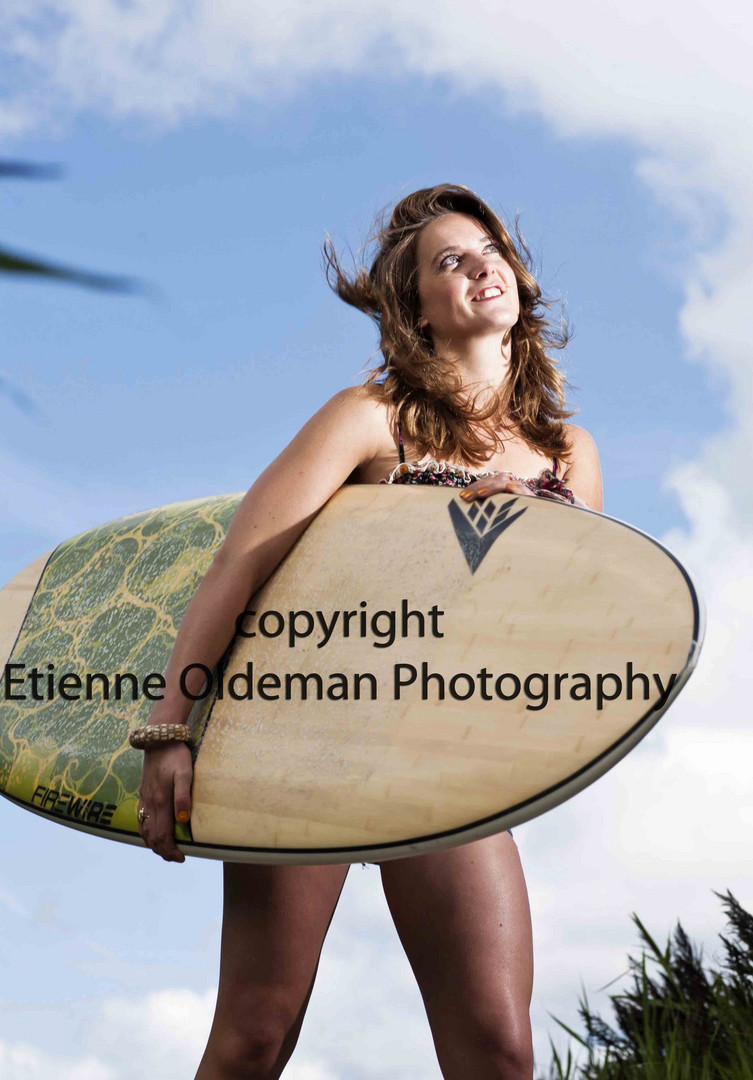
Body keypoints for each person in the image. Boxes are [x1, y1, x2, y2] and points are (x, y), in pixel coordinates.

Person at [136, 183, 603, 1080]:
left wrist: (534, 544)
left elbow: (570, 627)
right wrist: (169, 732)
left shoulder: (565, 454)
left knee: (500, 1051)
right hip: (309, 735)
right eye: (449, 261)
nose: (480, 267)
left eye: (489, 249)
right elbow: (238, 566)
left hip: (443, 748)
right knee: (255, 1034)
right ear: (416, 308)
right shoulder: (369, 419)